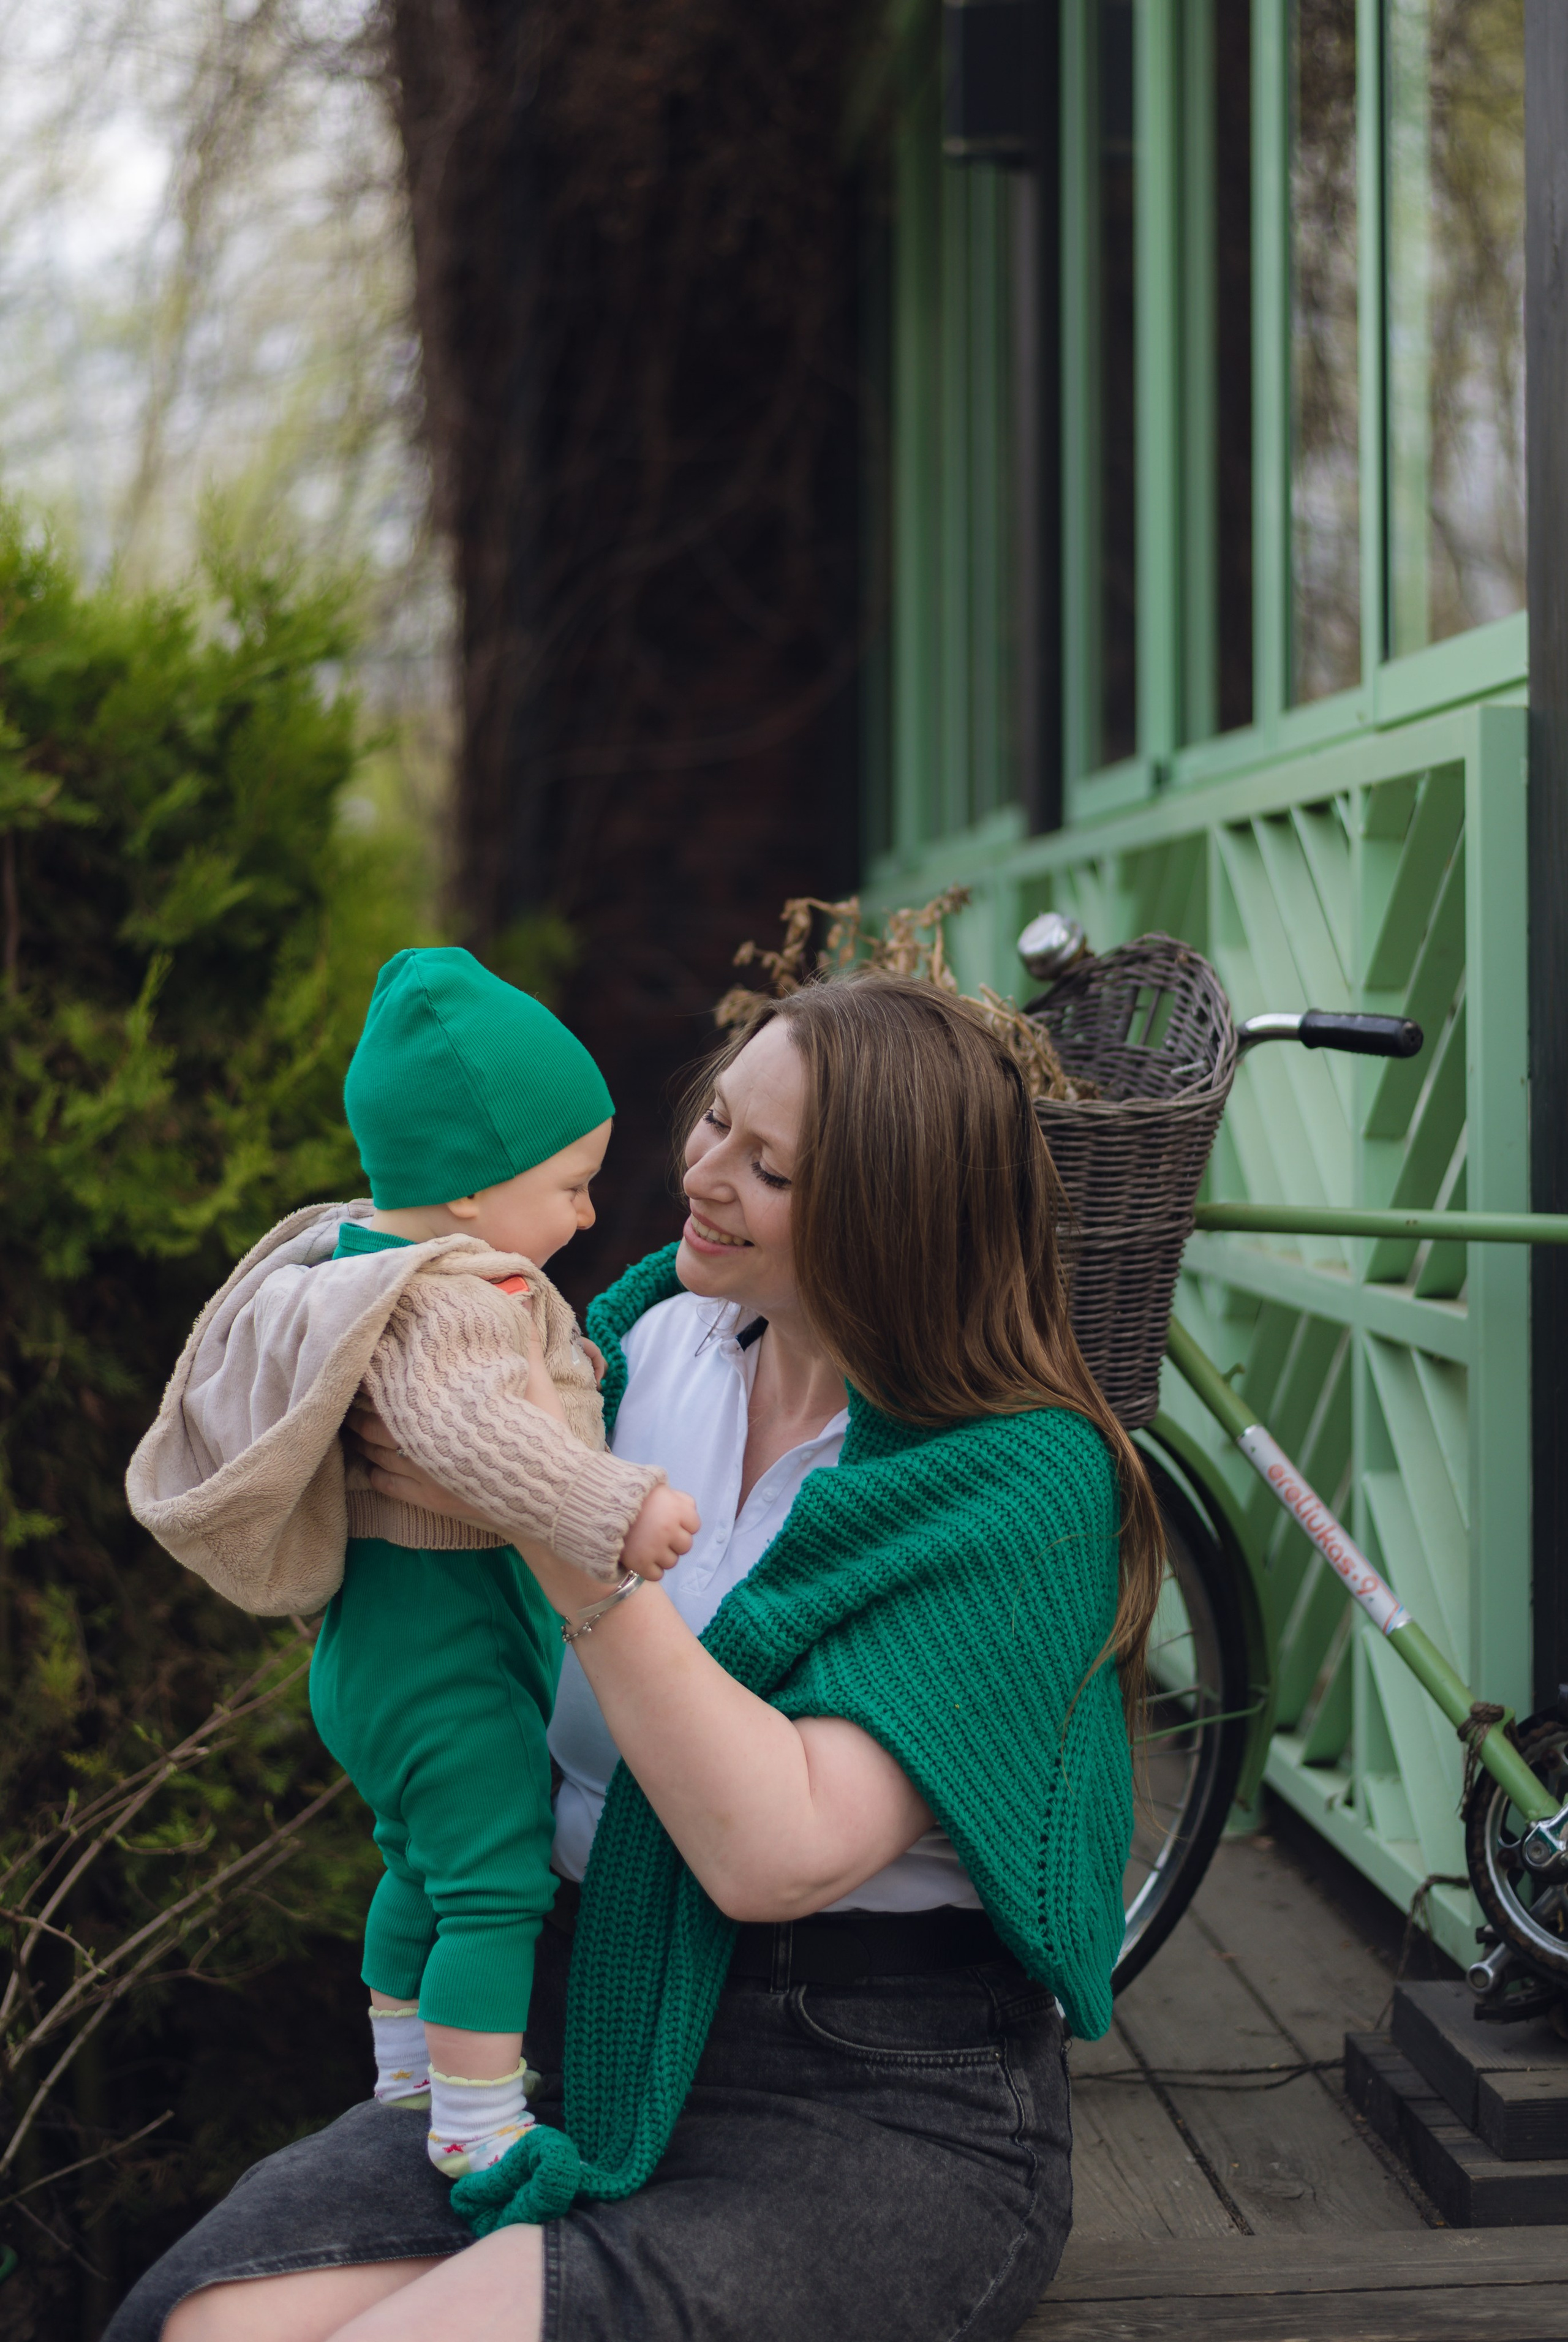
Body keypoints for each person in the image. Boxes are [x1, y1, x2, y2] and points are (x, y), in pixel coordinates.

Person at [107, 972, 1163, 2342]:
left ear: (889, 1218)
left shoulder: (1017, 1486)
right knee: (202, 2323)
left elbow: (769, 1850)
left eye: (767, 1165)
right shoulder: (645, 1334)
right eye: (715, 1119)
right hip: (569, 2024)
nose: (700, 1174)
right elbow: (438, 1505)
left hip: (862, 2095)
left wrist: (568, 1540)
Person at [127, 947, 699, 2183]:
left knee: (417, 1859)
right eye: (572, 1186)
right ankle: (476, 2124)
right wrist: (615, 1504)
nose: (591, 1215)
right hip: (442, 1644)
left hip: (375, 1650)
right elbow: (471, 1436)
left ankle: (400, 2070)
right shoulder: (455, 1296)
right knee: (495, 1879)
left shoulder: (349, 1261)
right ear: (475, 1193)